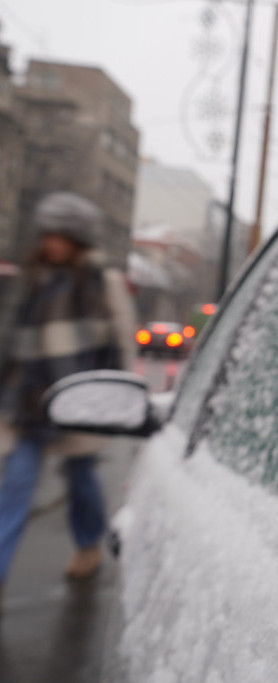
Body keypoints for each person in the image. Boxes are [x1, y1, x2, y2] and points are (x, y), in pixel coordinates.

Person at [0, 192, 136, 599]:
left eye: (61, 236)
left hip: (78, 400)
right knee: (16, 485)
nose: (52, 243)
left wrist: (115, 395)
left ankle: (89, 543)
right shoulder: (32, 278)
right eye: (48, 235)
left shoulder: (102, 280)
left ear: (78, 239)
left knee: (81, 481)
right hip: (29, 400)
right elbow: (10, 335)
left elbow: (123, 338)